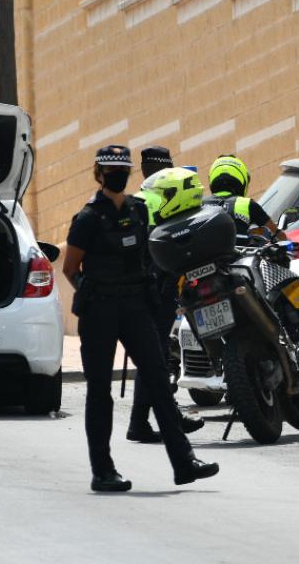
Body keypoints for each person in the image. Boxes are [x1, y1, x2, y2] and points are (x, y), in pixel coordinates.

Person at [63, 146, 218, 492]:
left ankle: (184, 462)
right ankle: (103, 472)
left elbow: (149, 255)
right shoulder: (88, 218)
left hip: (135, 307)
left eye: (122, 169)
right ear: (99, 173)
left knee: (159, 382)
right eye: (111, 170)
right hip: (101, 310)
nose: (117, 175)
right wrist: (91, 291)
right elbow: (71, 267)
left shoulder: (138, 209)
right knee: (99, 392)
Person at [127, 145, 203, 445]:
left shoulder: (137, 200)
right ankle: (151, 421)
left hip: (140, 292)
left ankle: (144, 421)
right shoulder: (163, 200)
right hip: (155, 292)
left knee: (153, 356)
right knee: (154, 357)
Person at [206, 154, 280, 242]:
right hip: (239, 250)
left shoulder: (200, 205)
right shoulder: (247, 204)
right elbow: (277, 234)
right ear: (242, 178)